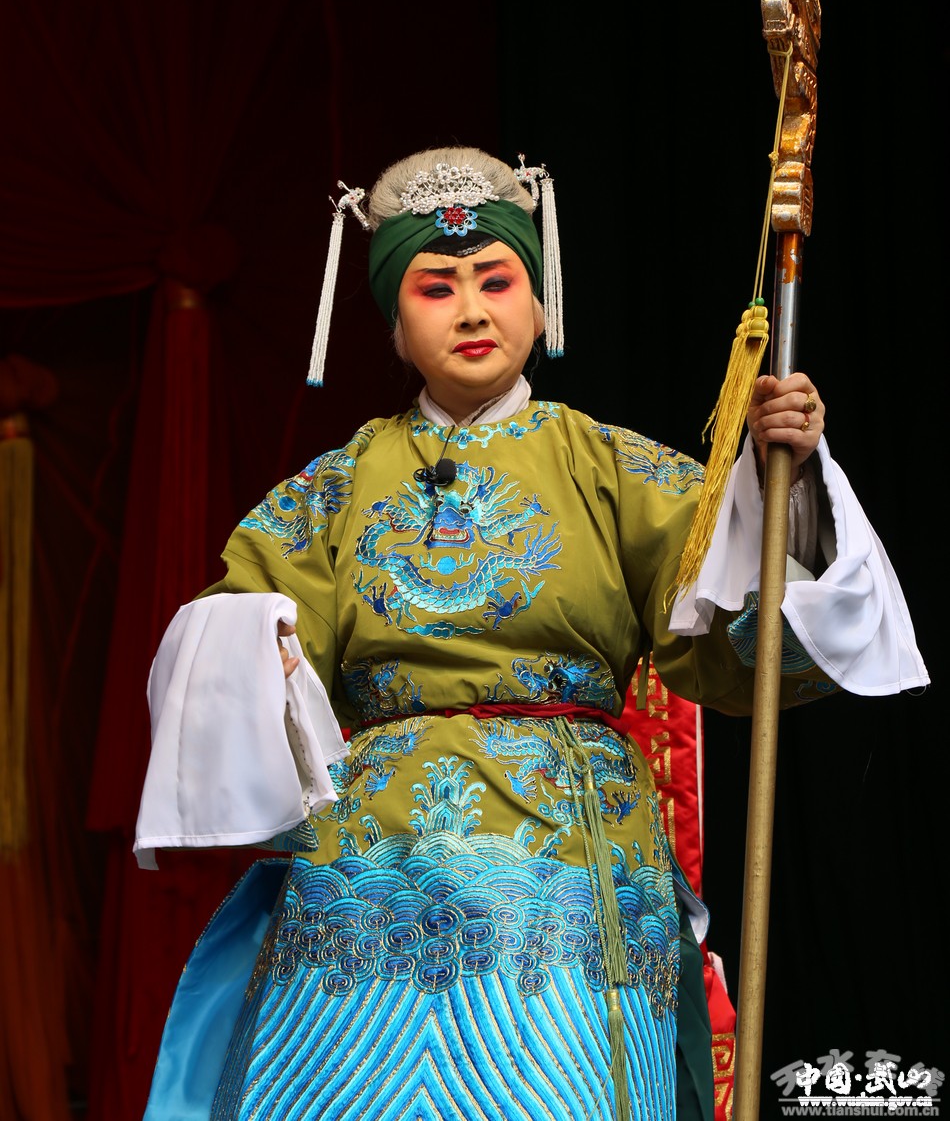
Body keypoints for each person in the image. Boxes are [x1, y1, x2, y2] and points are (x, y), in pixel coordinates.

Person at [134, 146, 928, 1121]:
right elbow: (242, 631)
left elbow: (730, 637)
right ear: (394, 326)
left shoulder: (615, 467)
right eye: (436, 288)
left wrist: (783, 490)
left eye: (496, 281)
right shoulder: (330, 492)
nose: (471, 310)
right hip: (373, 865)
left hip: (568, 858)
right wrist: (257, 646)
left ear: (540, 306)